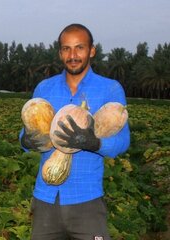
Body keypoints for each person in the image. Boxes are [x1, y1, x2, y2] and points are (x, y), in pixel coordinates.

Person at [19, 23, 130, 240]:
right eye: (66, 49)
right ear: (60, 52)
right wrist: (27, 141)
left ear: (91, 50)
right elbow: (24, 135)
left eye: (79, 47)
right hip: (45, 200)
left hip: (87, 201)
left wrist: (95, 143)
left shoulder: (110, 89)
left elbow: (123, 141)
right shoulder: (44, 89)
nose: (73, 55)